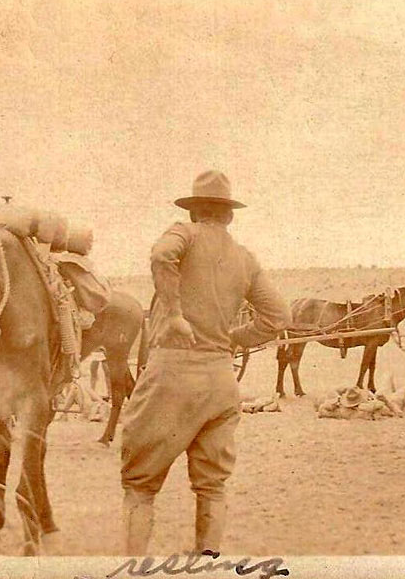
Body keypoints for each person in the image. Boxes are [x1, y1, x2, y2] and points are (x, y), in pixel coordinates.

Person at [120, 170, 291, 555]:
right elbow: (279, 317)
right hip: (220, 381)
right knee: (212, 485)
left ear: (195, 210)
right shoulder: (245, 257)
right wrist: (232, 339)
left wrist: (176, 313)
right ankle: (207, 566)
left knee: (140, 485)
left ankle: (130, 569)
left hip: (172, 374)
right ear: (229, 215)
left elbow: (162, 254)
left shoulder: (185, 232)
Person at [315, 375, 405, 420]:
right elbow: (398, 414)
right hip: (391, 402)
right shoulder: (368, 409)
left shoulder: (341, 410)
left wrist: (337, 402)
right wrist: (386, 401)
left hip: (376, 397)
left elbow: (321, 410)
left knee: (389, 377)